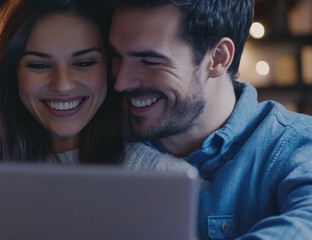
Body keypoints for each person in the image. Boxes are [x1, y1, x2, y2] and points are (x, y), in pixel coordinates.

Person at [109, 0, 312, 239]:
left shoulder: (295, 144)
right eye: (116, 56)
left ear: (217, 57)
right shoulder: (100, 142)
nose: (121, 82)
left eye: (149, 61)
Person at [0, 0, 189, 172]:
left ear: (110, 70)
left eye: (84, 63)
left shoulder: (158, 174)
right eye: (39, 65)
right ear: (10, 75)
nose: (62, 85)